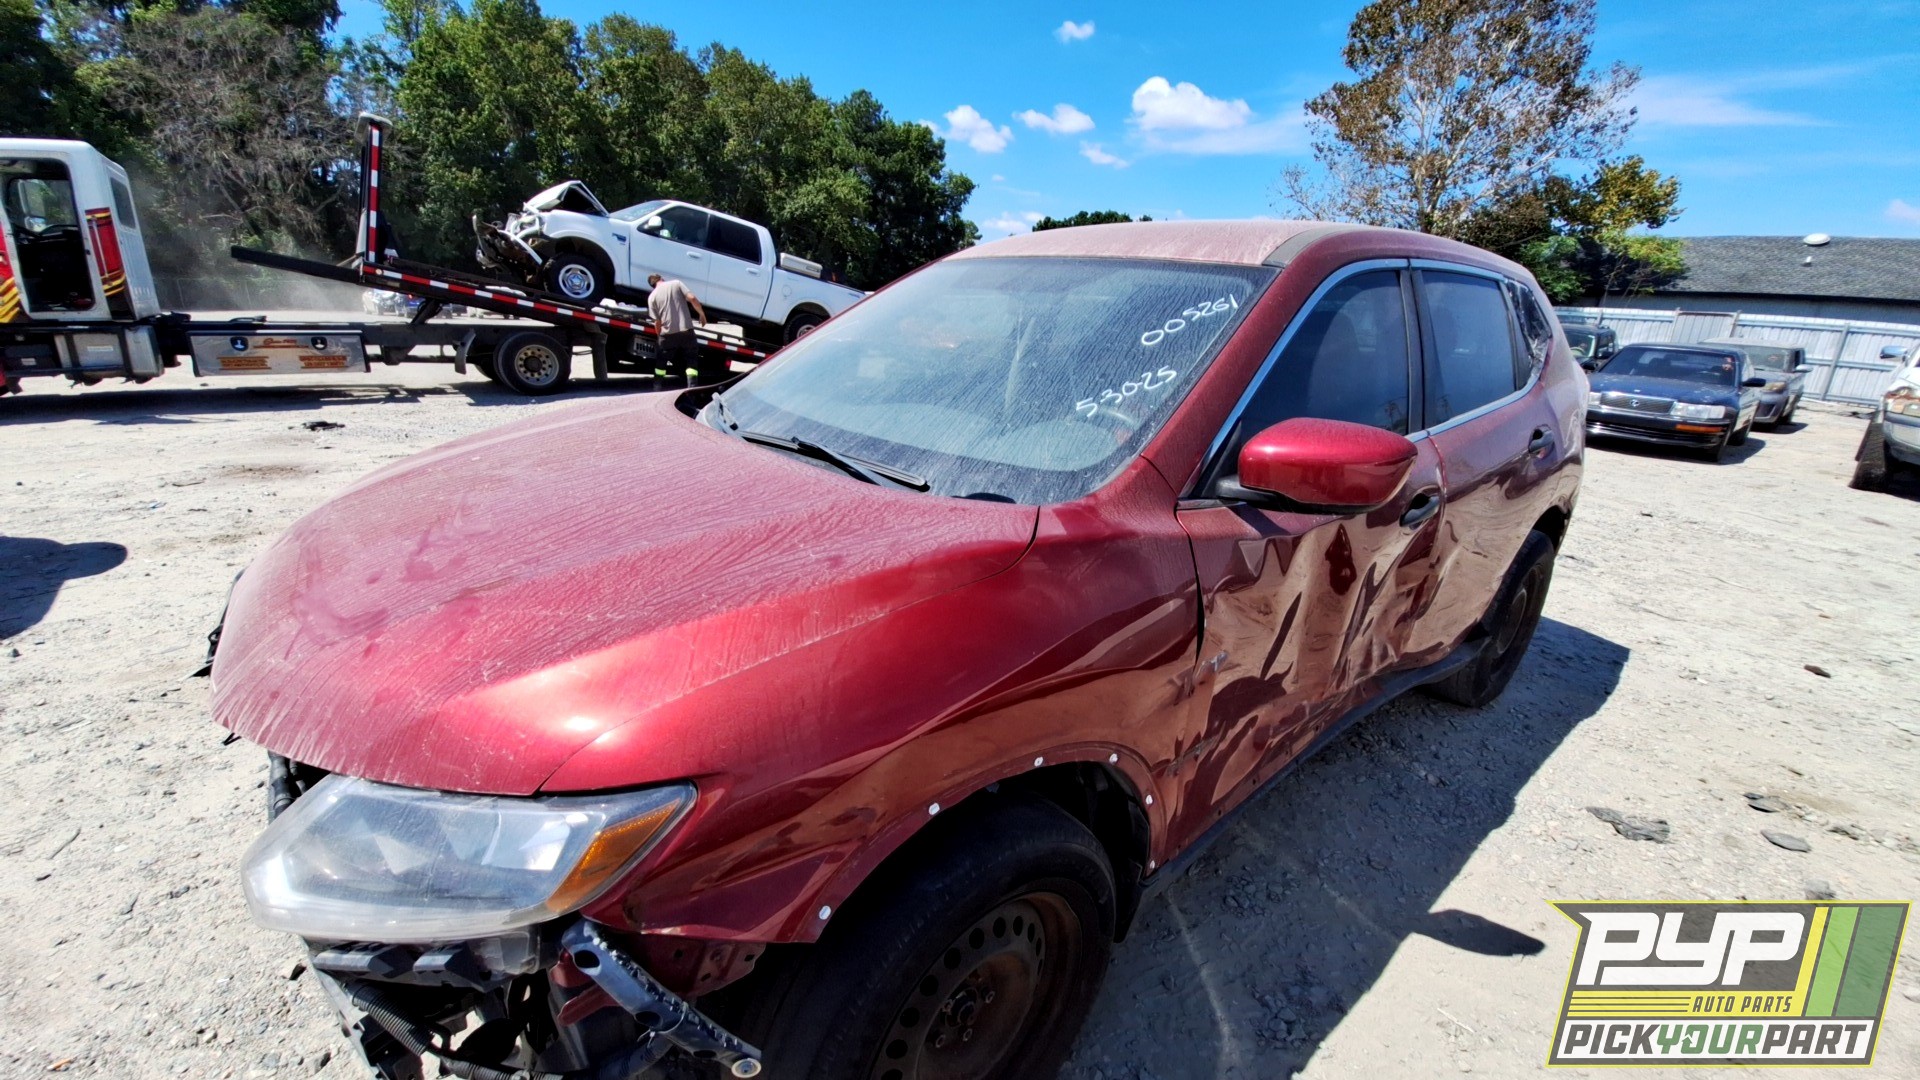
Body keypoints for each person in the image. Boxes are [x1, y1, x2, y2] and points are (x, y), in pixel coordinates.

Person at [646, 273, 710, 385]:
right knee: (691, 361)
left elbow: (657, 322)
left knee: (661, 362)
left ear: (652, 285)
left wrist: (659, 337)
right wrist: (702, 314)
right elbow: (692, 298)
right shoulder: (676, 283)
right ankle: (692, 388)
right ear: (662, 279)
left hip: (667, 334)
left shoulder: (652, 297)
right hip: (686, 332)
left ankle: (657, 386)